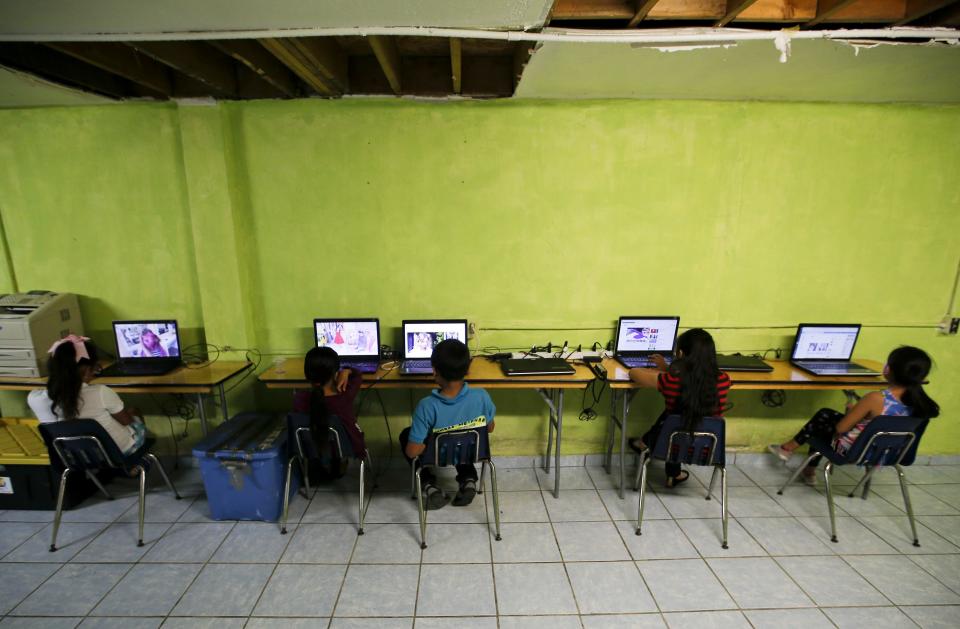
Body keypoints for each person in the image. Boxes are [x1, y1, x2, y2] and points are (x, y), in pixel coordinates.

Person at [769, 345, 939, 485]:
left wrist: (852, 413)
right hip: (888, 454)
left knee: (824, 419)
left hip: (855, 452)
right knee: (826, 419)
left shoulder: (875, 398)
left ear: (889, 370)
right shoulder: (925, 406)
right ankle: (807, 469)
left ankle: (789, 450)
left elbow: (841, 428)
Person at [626, 328, 732, 487]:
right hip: (707, 450)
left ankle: (645, 443)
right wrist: (668, 369)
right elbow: (697, 382)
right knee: (685, 411)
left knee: (674, 416)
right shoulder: (724, 380)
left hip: (669, 446)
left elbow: (634, 373)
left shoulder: (671, 381)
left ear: (681, 354)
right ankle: (672, 475)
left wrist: (665, 370)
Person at [399, 339, 495, 510]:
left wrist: (429, 442)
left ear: (434, 370)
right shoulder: (482, 396)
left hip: (437, 455)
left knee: (406, 435)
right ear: (468, 369)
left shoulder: (426, 406)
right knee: (462, 434)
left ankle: (429, 486)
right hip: (470, 451)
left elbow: (412, 451)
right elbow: (490, 428)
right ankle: (468, 480)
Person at [28, 335, 147, 454]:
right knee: (133, 412)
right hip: (116, 454)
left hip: (74, 457)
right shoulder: (100, 392)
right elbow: (126, 421)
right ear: (86, 371)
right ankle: (137, 463)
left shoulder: (34, 399)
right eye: (95, 368)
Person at [292, 347, 366, 479]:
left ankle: (326, 462)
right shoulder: (344, 396)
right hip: (347, 448)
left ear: (307, 374)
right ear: (335, 374)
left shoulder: (299, 399)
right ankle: (339, 461)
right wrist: (347, 371)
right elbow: (358, 375)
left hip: (311, 449)